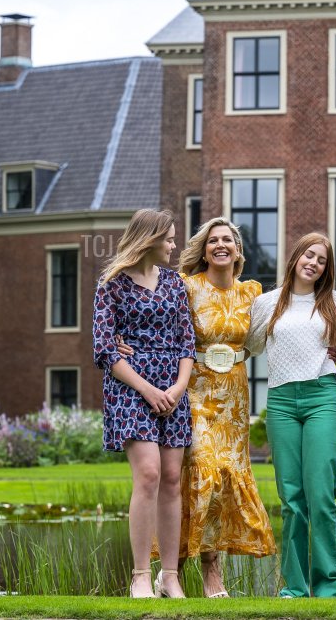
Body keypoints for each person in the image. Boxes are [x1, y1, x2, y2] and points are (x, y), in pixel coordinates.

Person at [120, 218, 277, 597]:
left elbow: (277, 327)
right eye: (213, 240)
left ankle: (183, 573)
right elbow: (155, 320)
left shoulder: (253, 293)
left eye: (227, 240)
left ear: (238, 250)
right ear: (204, 250)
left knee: (222, 480)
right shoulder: (186, 286)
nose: (220, 245)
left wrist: (329, 343)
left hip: (234, 395)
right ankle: (191, 571)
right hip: (192, 391)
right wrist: (123, 340)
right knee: (203, 475)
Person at [92, 208, 195, 599]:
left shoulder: (174, 283)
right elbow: (104, 349)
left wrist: (178, 388)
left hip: (173, 389)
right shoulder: (112, 285)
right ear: (149, 239)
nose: (173, 245)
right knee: (149, 474)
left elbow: (187, 342)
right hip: (130, 388)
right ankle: (139, 575)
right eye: (168, 238)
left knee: (171, 479)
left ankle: (169, 577)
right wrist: (148, 390)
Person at [246, 233, 336, 598]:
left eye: (322, 260)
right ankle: (295, 588)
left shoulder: (334, 301)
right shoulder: (267, 303)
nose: (313, 263)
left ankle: (328, 587)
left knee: (321, 496)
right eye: (309, 255)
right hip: (282, 401)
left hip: (322, 397)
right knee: (291, 499)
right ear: (296, 257)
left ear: (326, 269)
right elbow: (249, 345)